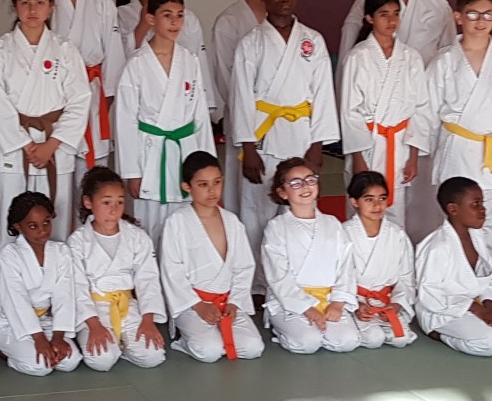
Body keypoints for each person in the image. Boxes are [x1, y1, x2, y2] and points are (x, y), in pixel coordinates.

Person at [229, 0, 338, 264]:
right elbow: (240, 96)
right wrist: (248, 147)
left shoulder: (312, 41)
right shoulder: (250, 43)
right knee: (256, 213)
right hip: (263, 138)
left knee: (300, 209)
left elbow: (323, 93)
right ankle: (257, 281)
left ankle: (300, 273)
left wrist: (318, 144)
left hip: (302, 138)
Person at [0, 0, 91, 246]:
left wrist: (51, 144)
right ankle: (9, 276)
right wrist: (26, 144)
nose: (32, 10)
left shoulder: (65, 50)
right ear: (15, 6)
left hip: (55, 148)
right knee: (10, 230)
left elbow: (80, 99)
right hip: (14, 151)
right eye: (25, 2)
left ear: (51, 7)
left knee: (56, 229)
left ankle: (56, 275)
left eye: (40, 2)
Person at [424, 0, 492, 268]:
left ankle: (486, 283)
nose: (480, 21)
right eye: (473, 14)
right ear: (458, 17)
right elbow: (427, 112)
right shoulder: (443, 60)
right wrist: (424, 155)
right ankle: (456, 284)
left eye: (487, 14)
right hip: (459, 151)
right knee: (456, 225)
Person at [114, 0, 214, 238]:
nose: (174, 22)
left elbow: (200, 116)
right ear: (150, 19)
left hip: (185, 151)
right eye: (167, 15)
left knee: (186, 229)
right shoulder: (136, 64)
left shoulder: (190, 60)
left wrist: (208, 165)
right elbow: (125, 121)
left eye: (179, 15)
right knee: (150, 227)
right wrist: (132, 173)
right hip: (150, 156)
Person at [339, 0, 436, 231]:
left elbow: (420, 108)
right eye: (384, 14)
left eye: (396, 14)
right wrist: (358, 158)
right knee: (363, 211)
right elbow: (350, 112)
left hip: (400, 145)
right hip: (369, 145)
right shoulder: (357, 57)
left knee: (396, 214)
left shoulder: (411, 57)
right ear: (369, 18)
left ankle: (395, 254)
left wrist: (413, 156)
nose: (392, 20)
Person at [46, 0, 127, 194]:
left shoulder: (100, 0)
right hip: (54, 96)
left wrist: (104, 102)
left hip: (92, 95)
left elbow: (113, 55)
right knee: (57, 181)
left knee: (92, 183)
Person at [158, 152, 265, 362]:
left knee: (253, 348)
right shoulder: (176, 222)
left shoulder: (232, 221)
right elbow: (172, 271)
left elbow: (244, 266)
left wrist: (235, 302)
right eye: (203, 185)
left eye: (217, 182)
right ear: (187, 187)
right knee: (209, 352)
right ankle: (183, 341)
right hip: (192, 304)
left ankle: (217, 332)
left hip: (228, 302)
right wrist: (198, 305)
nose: (212, 190)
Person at [413, 176, 492, 356]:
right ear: (453, 209)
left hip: (475, 303)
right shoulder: (437, 247)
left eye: (482, 203)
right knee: (490, 343)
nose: (483, 209)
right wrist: (477, 309)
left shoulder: (476, 236)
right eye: (475, 204)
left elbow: (485, 279)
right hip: (443, 311)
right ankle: (441, 335)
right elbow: (431, 295)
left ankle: (478, 325)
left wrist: (490, 304)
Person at [69, 166, 169, 371]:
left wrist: (148, 320)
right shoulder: (78, 241)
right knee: (101, 360)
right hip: (94, 309)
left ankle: (124, 346)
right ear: (88, 202)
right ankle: (114, 346)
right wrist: (94, 325)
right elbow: (77, 287)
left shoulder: (136, 236)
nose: (113, 210)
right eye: (106, 202)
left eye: (120, 202)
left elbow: (148, 279)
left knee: (153, 356)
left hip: (127, 306)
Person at [260, 157, 363, 354]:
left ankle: (324, 322)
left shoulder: (333, 223)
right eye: (295, 183)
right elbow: (278, 274)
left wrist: (338, 302)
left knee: (347, 341)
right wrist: (307, 308)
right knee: (308, 342)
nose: (305, 186)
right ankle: (280, 329)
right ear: (282, 192)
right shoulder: (276, 227)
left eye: (310, 180)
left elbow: (346, 266)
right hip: (291, 302)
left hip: (329, 299)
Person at [210, 0, 281, 217]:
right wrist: (250, 110)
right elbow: (224, 76)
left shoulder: (284, 19)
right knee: (245, 193)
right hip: (246, 117)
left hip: (282, 118)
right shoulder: (229, 21)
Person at [0, 191, 84, 376]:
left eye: (46, 222)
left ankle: (37, 346)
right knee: (41, 366)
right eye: (33, 226)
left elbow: (64, 295)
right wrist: (39, 339)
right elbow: (16, 300)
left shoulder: (61, 251)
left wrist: (58, 337)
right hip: (14, 323)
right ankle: (6, 354)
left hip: (47, 321)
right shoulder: (10, 254)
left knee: (70, 361)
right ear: (18, 226)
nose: (42, 230)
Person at [117, 0, 216, 116]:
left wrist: (206, 105)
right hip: (142, 104)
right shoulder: (123, 15)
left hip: (183, 101)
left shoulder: (188, 18)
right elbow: (121, 61)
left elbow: (199, 61)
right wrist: (144, 23)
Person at [341, 171, 418, 349]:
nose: (377, 205)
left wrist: (397, 304)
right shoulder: (343, 234)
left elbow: (406, 278)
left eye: (382, 198)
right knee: (374, 339)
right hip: (355, 301)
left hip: (386, 301)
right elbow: (337, 278)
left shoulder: (397, 234)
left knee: (401, 339)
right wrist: (357, 304)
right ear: (354, 202)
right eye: (369, 199)